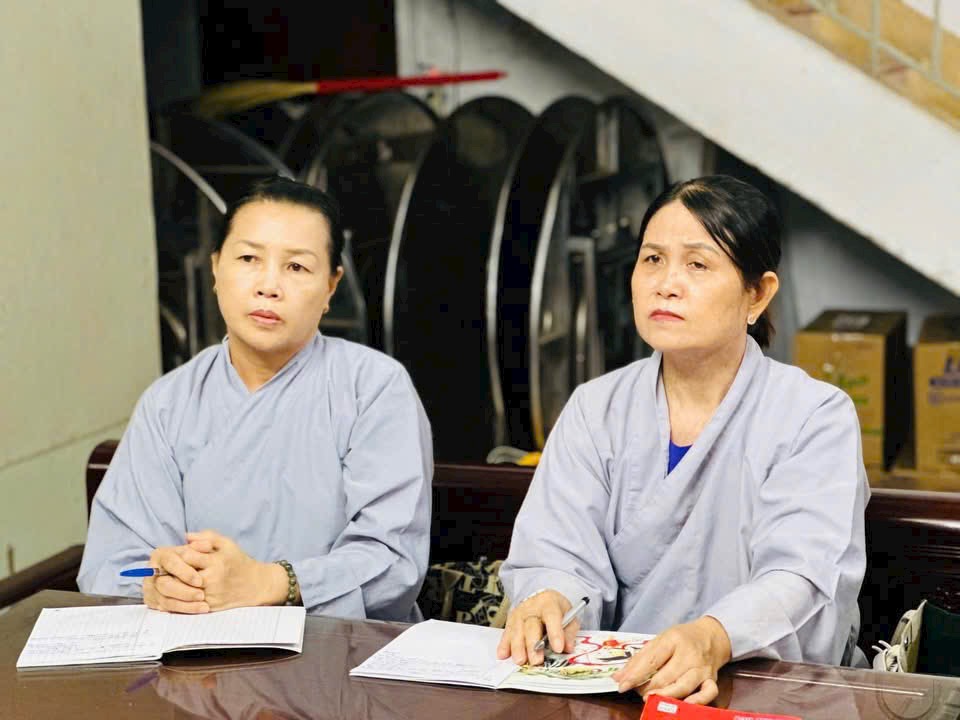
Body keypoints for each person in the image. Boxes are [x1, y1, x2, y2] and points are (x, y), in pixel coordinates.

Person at [496, 175, 869, 704]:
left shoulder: (814, 416)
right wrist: (550, 598)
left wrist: (714, 637)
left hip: (762, 690)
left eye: (697, 264)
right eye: (652, 259)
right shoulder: (595, 408)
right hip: (624, 689)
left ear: (757, 293)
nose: (666, 283)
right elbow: (556, 549)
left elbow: (800, 576)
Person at [78, 177, 432, 621]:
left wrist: (271, 583)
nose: (268, 286)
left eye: (296, 267)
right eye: (248, 258)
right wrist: (158, 583)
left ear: (331, 287)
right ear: (215, 268)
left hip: (342, 651)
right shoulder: (168, 403)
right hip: (197, 649)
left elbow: (394, 563)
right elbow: (113, 563)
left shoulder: (374, 388)